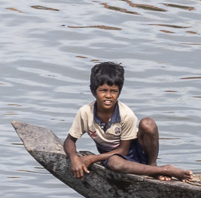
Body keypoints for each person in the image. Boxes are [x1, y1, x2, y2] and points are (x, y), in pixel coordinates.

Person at [63, 61, 191, 181]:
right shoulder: (85, 112)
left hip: (135, 151)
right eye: (103, 90)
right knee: (115, 163)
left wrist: (93, 158)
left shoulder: (126, 114)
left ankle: (157, 168)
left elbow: (124, 150)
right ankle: (157, 170)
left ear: (119, 93)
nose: (108, 95)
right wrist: (74, 158)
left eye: (113, 91)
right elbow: (70, 140)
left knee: (148, 124)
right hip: (113, 157)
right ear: (93, 92)